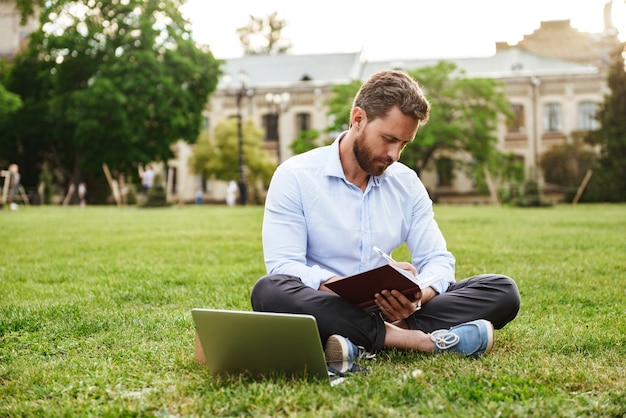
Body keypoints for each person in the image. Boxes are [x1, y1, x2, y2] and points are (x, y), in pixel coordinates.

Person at [250, 70, 520, 372]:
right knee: (269, 291)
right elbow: (284, 265)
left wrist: (417, 295)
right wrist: (342, 289)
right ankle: (418, 341)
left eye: (404, 144)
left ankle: (357, 339)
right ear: (358, 119)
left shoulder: (406, 183)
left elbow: (437, 260)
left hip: (391, 310)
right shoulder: (295, 177)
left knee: (501, 290)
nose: (394, 154)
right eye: (389, 139)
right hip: (323, 302)